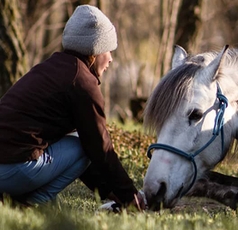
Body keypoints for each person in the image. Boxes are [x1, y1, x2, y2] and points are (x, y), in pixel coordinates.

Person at [0, 4, 145, 210]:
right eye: (108, 50)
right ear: (94, 50)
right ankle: (26, 204)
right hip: (12, 169)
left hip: (6, 165)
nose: (111, 58)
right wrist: (130, 196)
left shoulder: (52, 67)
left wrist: (110, 191)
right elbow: (99, 148)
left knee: (77, 142)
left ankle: (15, 199)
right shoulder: (83, 82)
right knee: (81, 144)